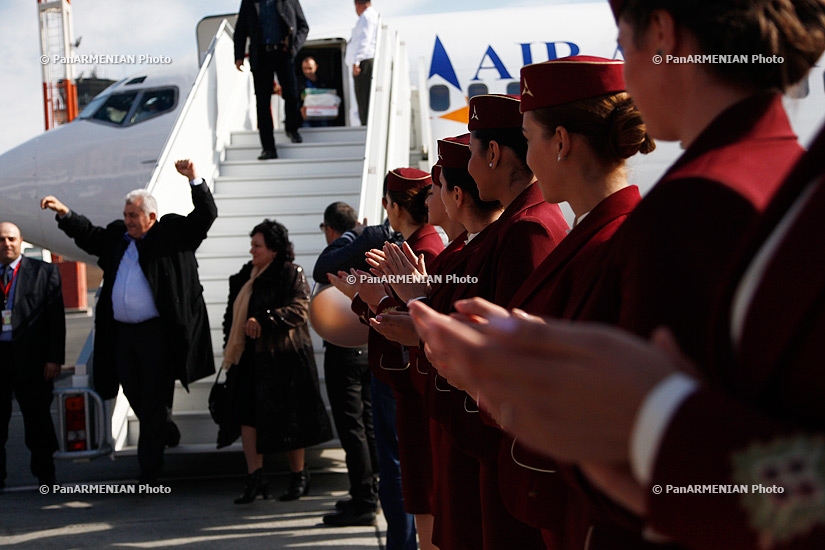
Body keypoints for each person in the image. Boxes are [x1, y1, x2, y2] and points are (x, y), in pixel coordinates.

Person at [413, 0, 825, 546]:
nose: (627, 74)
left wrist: (645, 418)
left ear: (662, 31)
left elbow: (726, 489)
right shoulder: (775, 169)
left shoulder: (695, 204)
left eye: (624, 45)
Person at [40, 159, 217, 484]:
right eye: (125, 215)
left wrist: (194, 179)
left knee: (154, 397)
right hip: (121, 334)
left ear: (151, 216)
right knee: (133, 391)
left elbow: (205, 217)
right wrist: (64, 213)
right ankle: (165, 429)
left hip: (158, 336)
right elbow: (89, 236)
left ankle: (149, 472)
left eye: (133, 215)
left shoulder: (172, 234)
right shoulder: (119, 237)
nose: (127, 221)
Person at [345, 168, 444, 549]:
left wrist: (373, 299)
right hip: (399, 374)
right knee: (400, 471)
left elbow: (421, 319)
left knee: (404, 472)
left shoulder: (425, 248)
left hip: (408, 374)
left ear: (392, 205)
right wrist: (364, 296)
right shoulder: (416, 245)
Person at [224, 219, 332, 504]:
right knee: (248, 419)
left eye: (257, 245)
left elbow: (300, 309)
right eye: (252, 245)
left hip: (283, 360)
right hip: (249, 360)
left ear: (274, 249)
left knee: (290, 420)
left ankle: (299, 476)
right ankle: (255, 478)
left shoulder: (289, 273)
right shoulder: (245, 276)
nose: (252, 250)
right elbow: (230, 317)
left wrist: (264, 319)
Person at [314, 202, 379, 525]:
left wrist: (351, 236)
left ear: (329, 229)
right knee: (365, 423)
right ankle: (368, 490)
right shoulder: (368, 243)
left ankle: (364, 498)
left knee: (353, 427)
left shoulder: (345, 248)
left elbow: (320, 270)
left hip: (345, 350)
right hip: (366, 347)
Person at [0, 222, 64, 489]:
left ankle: (45, 475)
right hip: (1, 359)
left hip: (34, 360)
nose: (7, 244)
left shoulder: (44, 272)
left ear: (21, 240)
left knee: (37, 421)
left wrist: (54, 358)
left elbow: (55, 320)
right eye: (2, 240)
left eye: (11, 239)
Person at [234, 0, 309, 160]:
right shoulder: (248, 2)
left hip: (283, 53)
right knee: (262, 102)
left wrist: (293, 48)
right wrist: (239, 56)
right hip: (260, 56)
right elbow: (240, 29)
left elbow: (303, 26)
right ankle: (268, 148)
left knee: (291, 94)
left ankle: (292, 128)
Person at [349, 0, 378, 126]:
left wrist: (357, 61)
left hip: (364, 62)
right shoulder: (372, 15)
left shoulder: (366, 16)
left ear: (357, 4)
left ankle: (365, 124)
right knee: (364, 98)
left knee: (363, 98)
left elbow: (364, 40)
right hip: (365, 60)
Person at [299, 56, 331, 128]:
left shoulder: (324, 82)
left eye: (310, 68)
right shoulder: (298, 83)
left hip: (323, 115)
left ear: (316, 67)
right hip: (306, 117)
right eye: (304, 68)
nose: (307, 71)